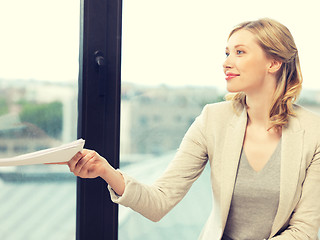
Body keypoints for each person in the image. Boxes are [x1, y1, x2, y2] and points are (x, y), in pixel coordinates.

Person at [66, 18, 320, 239]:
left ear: (273, 63)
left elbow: (304, 230)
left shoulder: (313, 132)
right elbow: (159, 201)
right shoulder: (213, 119)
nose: (227, 63)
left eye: (240, 52)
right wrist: (105, 171)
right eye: (227, 53)